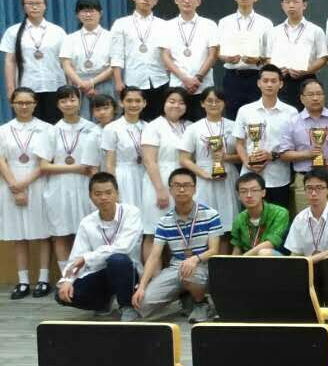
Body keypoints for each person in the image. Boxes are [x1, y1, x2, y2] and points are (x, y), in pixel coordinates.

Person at [133, 168, 222, 323]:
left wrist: (195, 259)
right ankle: (186, 296)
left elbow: (214, 250)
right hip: (176, 267)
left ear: (194, 188)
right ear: (170, 190)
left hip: (202, 265)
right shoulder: (164, 221)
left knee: (189, 274)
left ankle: (201, 304)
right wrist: (141, 286)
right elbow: (154, 256)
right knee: (142, 304)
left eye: (186, 185)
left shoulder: (210, 214)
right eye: (177, 185)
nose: (182, 189)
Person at [55, 172, 142, 321]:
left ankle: (127, 306)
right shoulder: (87, 222)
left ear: (117, 193)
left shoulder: (131, 213)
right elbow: (77, 258)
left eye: (108, 193)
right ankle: (102, 303)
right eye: (98, 194)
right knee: (62, 295)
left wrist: (87, 257)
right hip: (100, 273)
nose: (103, 197)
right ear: (90, 196)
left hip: (128, 271)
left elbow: (124, 247)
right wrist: (67, 280)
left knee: (117, 260)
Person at [42, 85, 103, 287]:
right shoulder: (51, 130)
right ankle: (65, 277)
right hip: (58, 187)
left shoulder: (92, 128)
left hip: (85, 186)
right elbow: (44, 165)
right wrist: (77, 168)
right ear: (57, 104)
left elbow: (96, 162)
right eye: (63, 100)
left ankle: (84, 278)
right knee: (61, 233)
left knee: (86, 232)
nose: (68, 104)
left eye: (72, 99)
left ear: (80, 101)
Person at [0, 88, 52, 299]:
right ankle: (23, 282)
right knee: (18, 235)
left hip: (38, 182)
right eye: (19, 102)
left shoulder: (46, 129)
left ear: (35, 104)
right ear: (12, 104)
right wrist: (15, 186)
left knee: (42, 233)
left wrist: (24, 184)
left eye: (28, 102)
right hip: (10, 183)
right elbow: (1, 160)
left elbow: (45, 162)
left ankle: (43, 279)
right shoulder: (3, 130)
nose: (23, 106)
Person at [232, 64, 299, 211]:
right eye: (265, 80)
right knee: (250, 220)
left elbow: (294, 145)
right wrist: (247, 162)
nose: (269, 84)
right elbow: (239, 143)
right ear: (258, 83)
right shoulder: (245, 111)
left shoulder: (291, 112)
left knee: (278, 219)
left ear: (281, 84)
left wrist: (272, 155)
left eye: (273, 81)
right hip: (250, 177)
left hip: (279, 177)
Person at [177, 88, 241, 239]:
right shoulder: (193, 128)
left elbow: (242, 156)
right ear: (202, 103)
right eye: (209, 101)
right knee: (203, 223)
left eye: (218, 101)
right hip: (203, 177)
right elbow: (184, 159)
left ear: (224, 103)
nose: (214, 104)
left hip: (228, 176)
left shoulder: (235, 126)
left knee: (228, 224)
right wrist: (204, 174)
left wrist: (226, 157)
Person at [3, 0, 67, 124]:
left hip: (54, 86)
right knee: (28, 126)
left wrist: (70, 87)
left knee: (55, 126)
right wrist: (10, 89)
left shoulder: (57, 31)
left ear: (45, 6)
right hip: (26, 87)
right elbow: (10, 61)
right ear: (23, 7)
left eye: (38, 3)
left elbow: (65, 61)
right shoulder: (13, 31)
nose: (34, 6)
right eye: (30, 3)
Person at [139, 88, 189, 258]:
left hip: (184, 181)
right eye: (171, 101)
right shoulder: (153, 126)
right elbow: (149, 161)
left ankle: (180, 271)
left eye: (181, 102)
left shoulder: (189, 126)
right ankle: (153, 273)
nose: (176, 105)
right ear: (164, 103)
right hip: (158, 180)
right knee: (154, 232)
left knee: (183, 231)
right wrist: (161, 190)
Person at [111, 0, 169, 121]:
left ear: (156, 1)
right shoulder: (121, 24)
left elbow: (168, 55)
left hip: (160, 80)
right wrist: (118, 81)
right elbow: (116, 54)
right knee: (134, 121)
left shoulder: (164, 25)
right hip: (133, 80)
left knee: (159, 121)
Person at [282, 79, 328, 212]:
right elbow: (284, 154)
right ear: (302, 98)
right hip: (304, 179)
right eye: (310, 94)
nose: (315, 98)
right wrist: (307, 154)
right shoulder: (292, 122)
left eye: (319, 94)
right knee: (306, 219)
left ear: (324, 96)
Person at [159, 0, 218, 120]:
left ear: (199, 2)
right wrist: (184, 79)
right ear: (176, 0)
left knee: (203, 123)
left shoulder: (209, 25)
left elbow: (213, 55)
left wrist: (198, 78)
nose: (186, 0)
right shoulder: (167, 26)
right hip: (178, 85)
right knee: (177, 123)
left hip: (203, 85)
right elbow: (165, 56)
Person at [217, 0, 274, 120]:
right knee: (232, 117)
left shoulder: (265, 23)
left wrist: (258, 60)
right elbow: (218, 52)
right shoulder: (224, 22)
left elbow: (271, 56)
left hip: (256, 77)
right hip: (232, 76)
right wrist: (225, 58)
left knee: (257, 118)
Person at [264, 0, 328, 109]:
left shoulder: (315, 30)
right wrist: (276, 70)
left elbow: (323, 57)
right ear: (282, 5)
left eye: (295, 2)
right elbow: (267, 57)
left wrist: (307, 70)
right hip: (281, 81)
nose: (291, 5)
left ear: (304, 5)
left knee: (308, 113)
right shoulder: (274, 32)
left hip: (307, 79)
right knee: (281, 113)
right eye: (287, 2)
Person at [101, 87, 148, 233]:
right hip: (123, 176)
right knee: (126, 220)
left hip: (145, 175)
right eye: (129, 101)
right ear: (121, 103)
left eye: (138, 101)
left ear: (144, 103)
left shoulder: (148, 127)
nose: (134, 104)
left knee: (146, 220)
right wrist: (112, 189)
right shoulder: (112, 128)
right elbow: (109, 163)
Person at [59, 0, 116, 118]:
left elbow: (114, 65)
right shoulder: (70, 38)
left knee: (105, 119)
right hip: (79, 85)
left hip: (104, 83)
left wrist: (91, 82)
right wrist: (82, 84)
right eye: (84, 11)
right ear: (77, 15)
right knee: (81, 121)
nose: (88, 14)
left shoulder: (112, 37)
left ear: (100, 13)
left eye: (92, 11)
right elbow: (66, 64)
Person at [284, 169, 328, 260]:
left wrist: (311, 260)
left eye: (319, 188)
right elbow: (295, 252)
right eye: (309, 188)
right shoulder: (300, 218)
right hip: (308, 266)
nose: (313, 193)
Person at [228, 172, 289, 256]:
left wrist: (243, 259)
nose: (249, 195)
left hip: (276, 258)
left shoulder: (280, 213)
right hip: (248, 261)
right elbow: (237, 248)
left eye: (254, 190)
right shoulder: (239, 219)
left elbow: (271, 243)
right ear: (238, 195)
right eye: (244, 191)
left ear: (263, 192)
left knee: (264, 253)